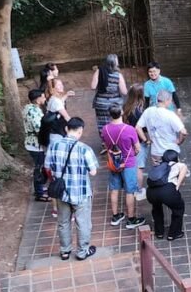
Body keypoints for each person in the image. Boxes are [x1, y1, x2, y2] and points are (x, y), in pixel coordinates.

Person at [44, 116, 98, 260]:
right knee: (83, 223)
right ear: (80, 131)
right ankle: (82, 251)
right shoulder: (84, 149)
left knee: (63, 222)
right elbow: (93, 172)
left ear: (66, 129)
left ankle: (65, 250)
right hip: (80, 192)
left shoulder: (53, 146)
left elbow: (47, 167)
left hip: (61, 192)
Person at [101, 106, 145, 229]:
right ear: (121, 113)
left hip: (113, 163)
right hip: (128, 163)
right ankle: (131, 219)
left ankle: (115, 216)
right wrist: (133, 153)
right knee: (129, 191)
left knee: (114, 189)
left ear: (110, 114)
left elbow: (105, 145)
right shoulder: (129, 129)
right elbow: (137, 148)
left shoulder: (105, 129)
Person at [146, 149, 189, 241]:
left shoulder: (159, 165)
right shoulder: (180, 165)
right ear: (176, 158)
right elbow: (182, 177)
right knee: (178, 209)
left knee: (156, 208)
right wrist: (177, 186)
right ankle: (174, 233)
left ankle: (159, 233)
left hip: (151, 192)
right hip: (167, 190)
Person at [136, 90, 187, 167]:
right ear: (167, 100)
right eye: (170, 100)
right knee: (173, 174)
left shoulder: (148, 111)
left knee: (159, 174)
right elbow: (183, 132)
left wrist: (146, 140)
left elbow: (137, 127)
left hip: (156, 152)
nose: (170, 102)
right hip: (171, 151)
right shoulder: (170, 115)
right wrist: (180, 141)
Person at [90, 54, 128, 140]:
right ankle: (116, 141)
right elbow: (124, 92)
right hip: (115, 104)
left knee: (102, 124)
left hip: (101, 104)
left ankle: (105, 143)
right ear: (115, 63)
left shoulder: (99, 71)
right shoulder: (118, 75)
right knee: (116, 122)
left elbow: (92, 86)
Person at [23, 88, 48, 201]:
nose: (45, 98)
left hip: (32, 143)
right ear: (38, 99)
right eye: (43, 96)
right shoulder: (33, 112)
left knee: (40, 166)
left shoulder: (28, 108)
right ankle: (39, 193)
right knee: (39, 168)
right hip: (35, 144)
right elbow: (39, 129)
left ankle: (40, 188)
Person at [123, 83, 148, 194]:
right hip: (138, 141)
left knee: (130, 164)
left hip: (127, 140)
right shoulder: (140, 111)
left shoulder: (126, 107)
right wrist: (146, 139)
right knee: (139, 167)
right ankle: (138, 190)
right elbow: (142, 128)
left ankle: (129, 184)